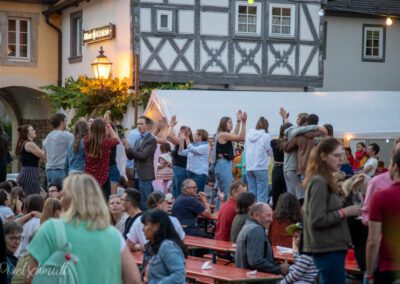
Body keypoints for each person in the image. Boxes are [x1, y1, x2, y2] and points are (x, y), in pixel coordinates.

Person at [25, 174, 141, 284]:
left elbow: (30, 277)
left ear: (68, 200)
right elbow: (134, 280)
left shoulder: (51, 228)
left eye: (63, 193)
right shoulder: (113, 235)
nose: (60, 196)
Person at [302, 138, 361, 284]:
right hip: (327, 248)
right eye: (336, 155)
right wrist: (345, 212)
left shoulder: (323, 180)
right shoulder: (319, 181)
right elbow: (317, 219)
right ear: (323, 156)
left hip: (330, 247)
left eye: (342, 155)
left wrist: (350, 192)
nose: (341, 160)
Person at [366, 149, 400, 284]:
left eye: (390, 164)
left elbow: (373, 241)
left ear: (395, 166)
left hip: (389, 269)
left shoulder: (381, 197)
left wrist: (369, 274)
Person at [235, 202, 289, 275]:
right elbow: (256, 261)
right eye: (268, 215)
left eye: (271, 216)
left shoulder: (247, 227)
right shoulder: (256, 230)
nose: (271, 219)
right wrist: (279, 269)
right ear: (256, 215)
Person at [141, 209, 186, 284]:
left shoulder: (168, 246)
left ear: (156, 226)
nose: (143, 229)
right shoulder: (153, 246)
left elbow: (179, 275)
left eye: (146, 224)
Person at [361, 138, 400, 225]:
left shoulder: (372, 161)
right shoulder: (376, 182)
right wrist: (379, 224)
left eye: (369, 149)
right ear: (393, 153)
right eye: (398, 151)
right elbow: (366, 213)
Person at [213, 111, 247, 204]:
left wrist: (238, 121)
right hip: (223, 164)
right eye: (230, 122)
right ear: (224, 124)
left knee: (221, 194)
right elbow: (241, 137)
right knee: (228, 192)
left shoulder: (222, 134)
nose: (231, 124)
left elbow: (235, 134)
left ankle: (219, 214)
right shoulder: (223, 135)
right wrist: (244, 123)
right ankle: (224, 214)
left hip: (222, 164)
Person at [124, 116, 157, 210]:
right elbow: (130, 156)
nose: (139, 126)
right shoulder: (138, 140)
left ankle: (147, 221)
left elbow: (143, 155)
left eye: (141, 124)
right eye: (137, 124)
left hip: (145, 175)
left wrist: (130, 149)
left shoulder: (151, 139)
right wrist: (126, 147)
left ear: (148, 126)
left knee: (145, 202)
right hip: (136, 175)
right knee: (138, 202)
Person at [84, 113, 119, 199]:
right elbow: (116, 139)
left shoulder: (86, 140)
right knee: (104, 200)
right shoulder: (106, 142)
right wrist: (108, 125)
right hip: (103, 176)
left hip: (88, 176)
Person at [284, 114, 327, 179]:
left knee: (304, 188)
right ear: (317, 122)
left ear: (306, 122)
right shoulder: (322, 135)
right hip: (318, 166)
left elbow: (287, 148)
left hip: (303, 166)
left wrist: (285, 139)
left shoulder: (299, 136)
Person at [245, 117, 272, 202]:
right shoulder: (266, 136)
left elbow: (245, 149)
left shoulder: (248, 136)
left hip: (249, 167)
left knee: (252, 194)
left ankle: (251, 212)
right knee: (262, 194)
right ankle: (260, 214)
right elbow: (270, 152)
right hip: (261, 167)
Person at [43, 113, 73, 187]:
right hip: (60, 170)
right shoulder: (65, 135)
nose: (66, 123)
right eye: (65, 121)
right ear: (61, 122)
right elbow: (79, 140)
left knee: (52, 196)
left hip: (49, 171)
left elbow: (45, 156)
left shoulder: (48, 137)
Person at [167, 117, 193, 199]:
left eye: (183, 131)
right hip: (177, 169)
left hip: (181, 170)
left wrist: (171, 125)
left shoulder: (183, 141)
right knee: (175, 193)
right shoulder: (181, 141)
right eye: (180, 130)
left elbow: (168, 136)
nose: (180, 132)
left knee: (178, 193)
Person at [15, 125, 45, 196]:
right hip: (30, 173)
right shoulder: (29, 144)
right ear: (27, 133)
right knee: (33, 197)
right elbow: (43, 155)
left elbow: (38, 159)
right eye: (32, 130)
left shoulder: (25, 143)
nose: (34, 131)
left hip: (28, 172)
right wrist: (44, 145)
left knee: (29, 196)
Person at [270, 123, 292, 209]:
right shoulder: (291, 144)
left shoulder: (273, 142)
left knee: (276, 193)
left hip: (277, 169)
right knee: (287, 193)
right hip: (287, 168)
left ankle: (276, 214)